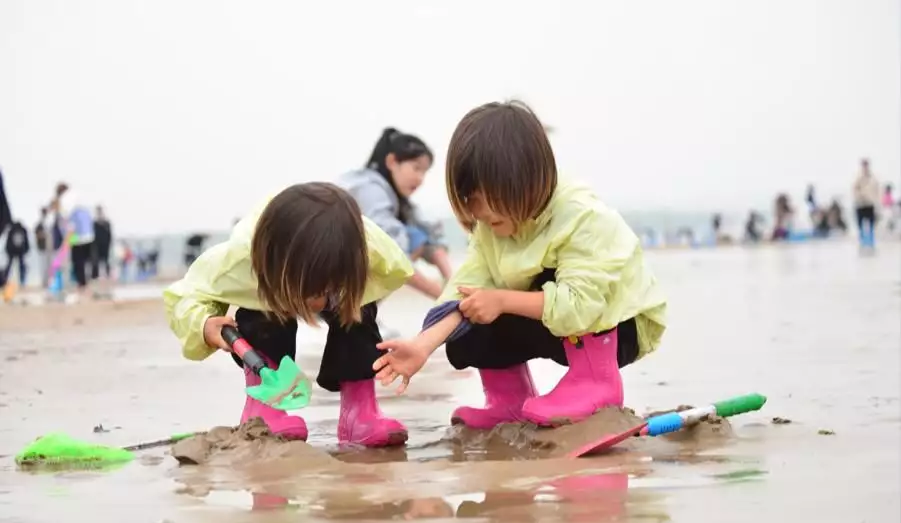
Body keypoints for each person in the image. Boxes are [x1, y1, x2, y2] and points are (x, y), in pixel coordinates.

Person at [372, 101, 667, 429]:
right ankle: (507, 401)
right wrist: (422, 345)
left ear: (527, 181)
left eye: (490, 210)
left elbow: (582, 304)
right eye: (473, 208)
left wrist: (501, 300)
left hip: (617, 325)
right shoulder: (488, 228)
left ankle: (596, 384)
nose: (481, 217)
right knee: (467, 324)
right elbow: (463, 290)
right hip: (553, 321)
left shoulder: (580, 215)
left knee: (533, 279)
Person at [163, 182, 414, 447]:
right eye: (309, 289)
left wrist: (343, 292)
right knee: (265, 316)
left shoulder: (373, 252)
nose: (315, 301)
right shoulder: (240, 260)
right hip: (269, 287)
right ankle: (263, 410)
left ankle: (360, 413)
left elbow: (395, 271)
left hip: (346, 273)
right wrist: (204, 325)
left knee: (359, 312)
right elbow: (186, 294)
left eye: (324, 288)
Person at [338, 128, 453, 299]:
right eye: (416, 168)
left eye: (424, 172)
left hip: (345, 277)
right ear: (392, 161)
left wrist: (452, 281)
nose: (420, 178)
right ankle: (354, 314)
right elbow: (394, 257)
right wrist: (444, 298)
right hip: (328, 278)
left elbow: (430, 235)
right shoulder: (370, 190)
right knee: (405, 241)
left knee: (416, 234)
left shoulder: (397, 200)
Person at [852, 158, 879, 248]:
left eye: (866, 165)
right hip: (860, 204)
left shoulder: (873, 177)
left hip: (870, 204)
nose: (865, 167)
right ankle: (862, 241)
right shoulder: (858, 177)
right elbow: (854, 189)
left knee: (871, 223)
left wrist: (875, 200)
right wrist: (859, 196)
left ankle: (871, 241)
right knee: (860, 224)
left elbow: (876, 190)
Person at [3, 220, 29, 287]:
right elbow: (26, 241)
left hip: (13, 251)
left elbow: (8, 242)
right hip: (20, 251)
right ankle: (22, 281)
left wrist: (7, 250)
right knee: (21, 266)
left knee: (10, 266)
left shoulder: (12, 230)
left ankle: (4, 280)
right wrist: (26, 249)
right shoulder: (23, 230)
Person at [91, 205, 112, 280]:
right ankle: (95, 276)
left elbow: (109, 235)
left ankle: (107, 274)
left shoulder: (106, 223)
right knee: (95, 260)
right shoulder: (94, 223)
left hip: (105, 244)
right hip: (96, 244)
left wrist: (109, 243)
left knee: (106, 260)